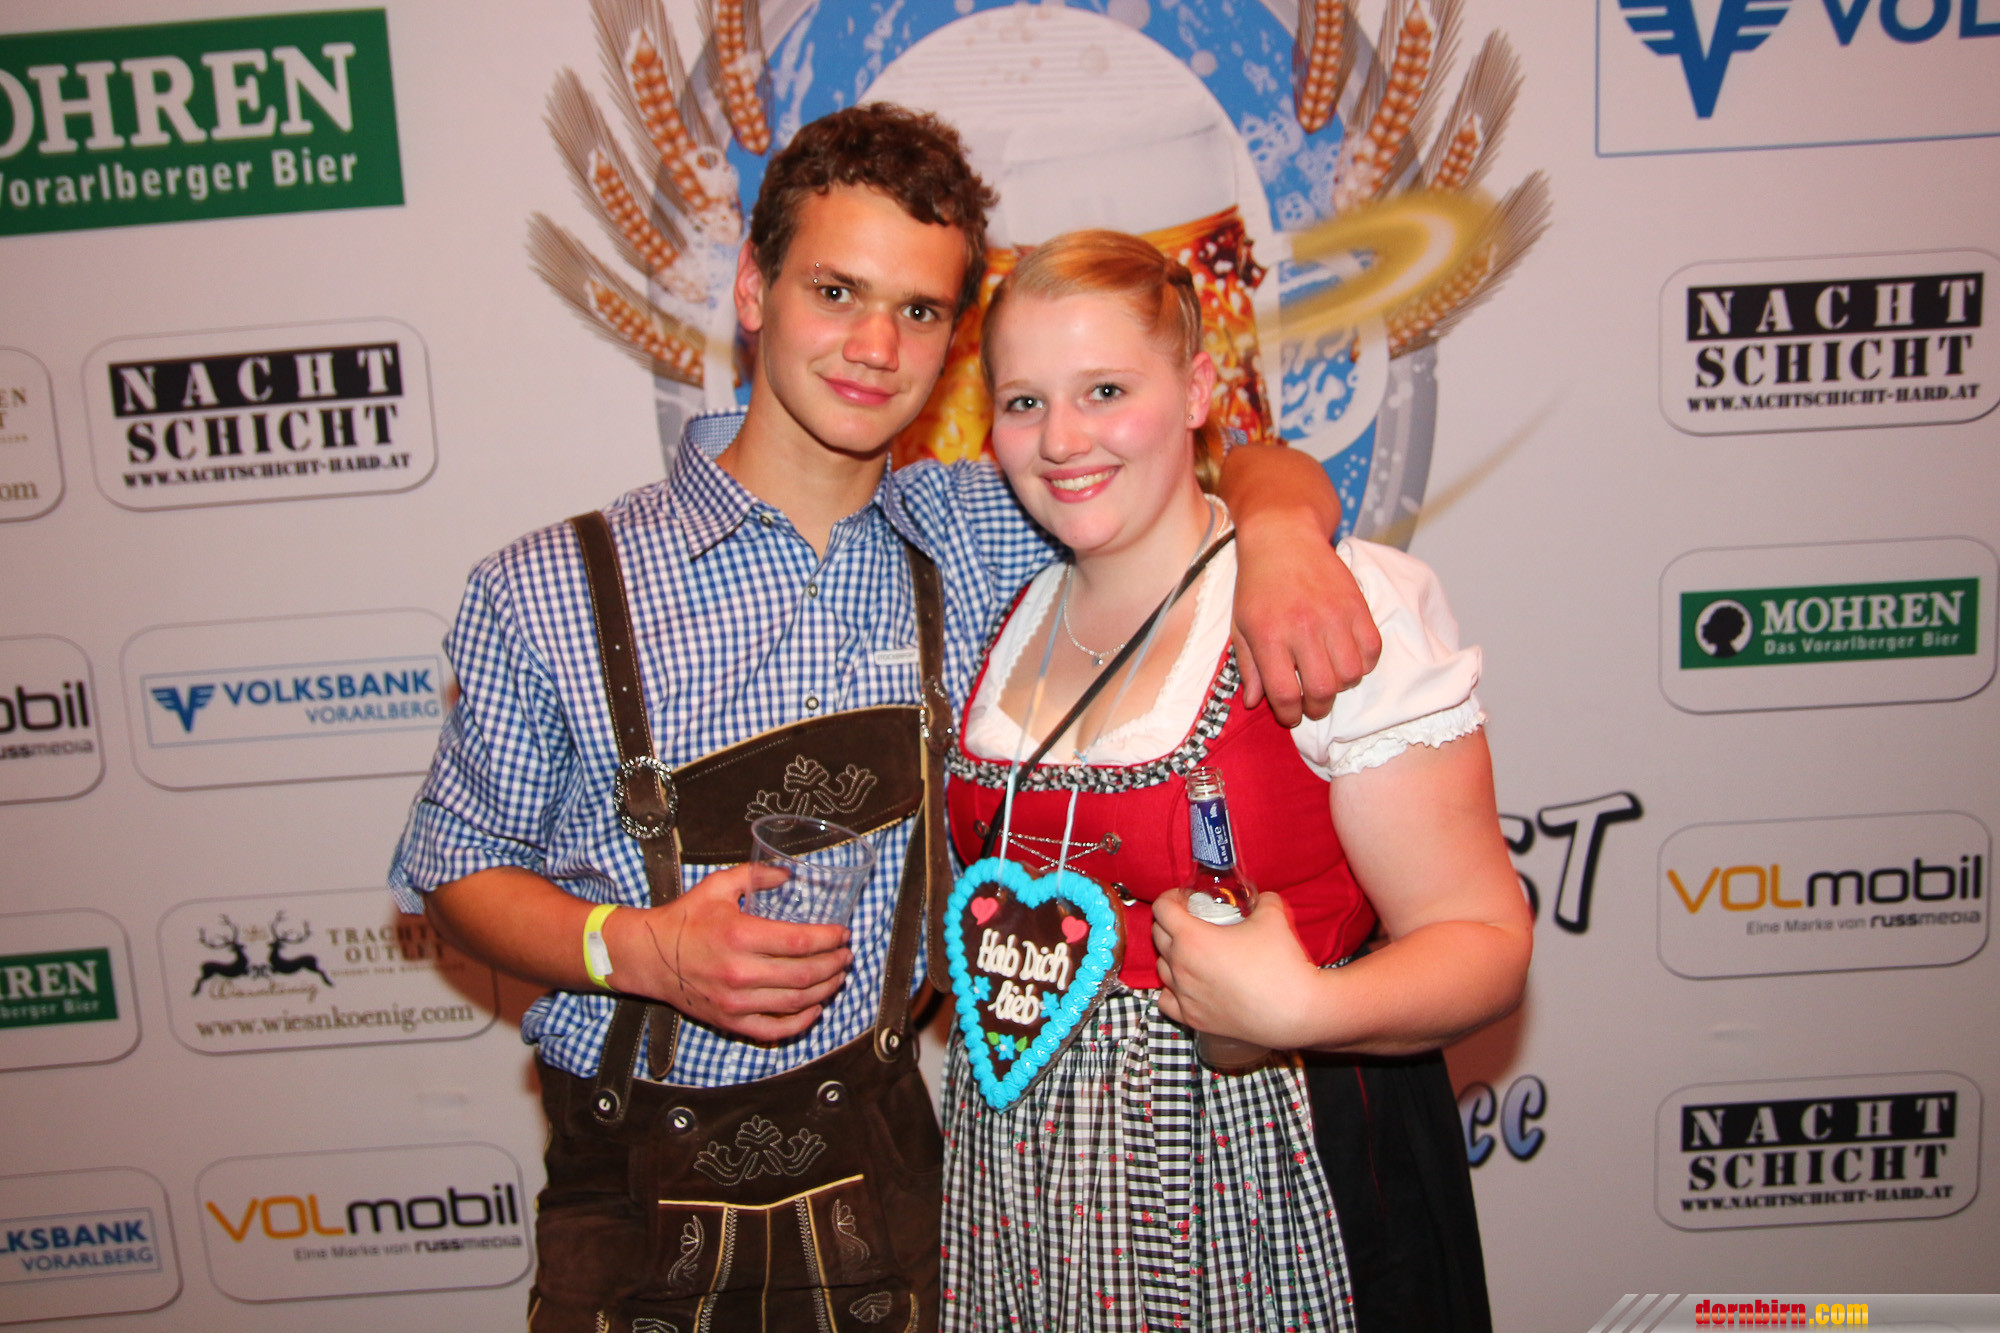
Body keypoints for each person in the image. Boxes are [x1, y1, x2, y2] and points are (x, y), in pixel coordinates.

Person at [390, 106, 1377, 1331]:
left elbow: (1231, 463)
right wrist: (637, 952)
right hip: (631, 1183)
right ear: (751, 291)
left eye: (917, 310)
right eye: (835, 291)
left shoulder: (989, 528)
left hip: (893, 1161)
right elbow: (455, 871)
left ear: (955, 344)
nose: (873, 346)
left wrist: (1279, 534)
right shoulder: (547, 587)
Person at [938, 230, 1533, 1332]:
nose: (1060, 439)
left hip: (1265, 1156)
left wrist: (1307, 1005)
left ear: (1199, 389)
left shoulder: (1324, 604)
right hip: (1019, 1179)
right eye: (1023, 402)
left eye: (1105, 390)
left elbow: (1485, 941)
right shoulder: (1006, 601)